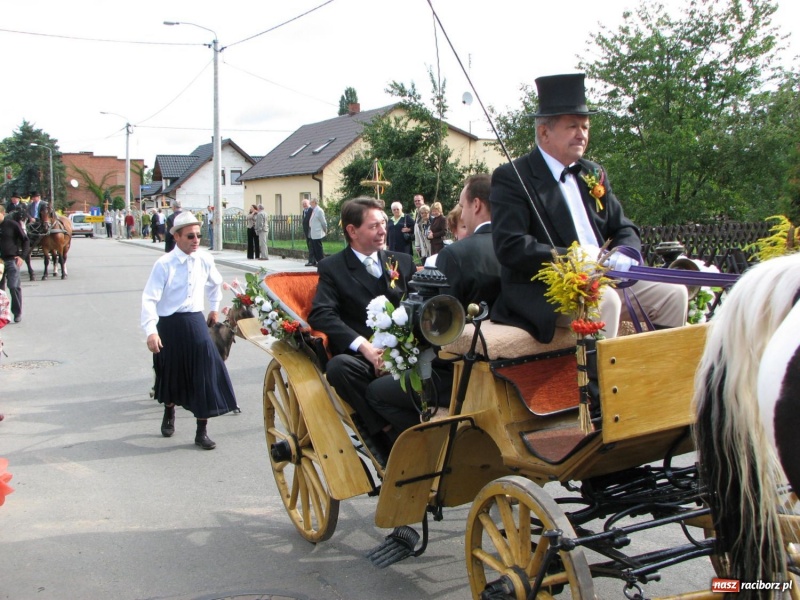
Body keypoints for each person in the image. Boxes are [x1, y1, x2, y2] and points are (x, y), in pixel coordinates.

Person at [490, 73, 688, 342]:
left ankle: (661, 377)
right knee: (604, 300)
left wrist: (626, 253)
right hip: (547, 289)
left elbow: (623, 226)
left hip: (606, 278)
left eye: (585, 126)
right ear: (544, 131)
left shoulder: (593, 173)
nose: (581, 134)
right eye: (572, 126)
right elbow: (511, 247)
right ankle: (601, 383)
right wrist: (575, 257)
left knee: (674, 293)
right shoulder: (513, 176)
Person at [367, 174, 502, 436]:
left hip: (460, 374)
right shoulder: (521, 245)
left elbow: (437, 326)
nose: (462, 214)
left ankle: (426, 449)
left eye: (462, 206)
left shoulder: (456, 254)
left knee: (376, 393)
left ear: (476, 205)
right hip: (514, 365)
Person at [308, 197, 416, 464]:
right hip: (364, 359)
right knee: (338, 368)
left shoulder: (401, 261)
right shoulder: (332, 267)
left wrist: (402, 350)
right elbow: (322, 313)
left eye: (383, 223)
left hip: (408, 352)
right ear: (352, 231)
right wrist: (366, 349)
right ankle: (384, 433)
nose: (382, 231)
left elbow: (419, 306)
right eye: (373, 226)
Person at [141, 211, 238, 450]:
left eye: (198, 235)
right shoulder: (164, 264)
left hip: (195, 321)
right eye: (190, 236)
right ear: (176, 237)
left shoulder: (204, 258)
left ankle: (201, 432)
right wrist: (151, 331)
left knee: (205, 371)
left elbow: (215, 282)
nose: (196, 240)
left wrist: (214, 308)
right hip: (169, 324)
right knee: (171, 371)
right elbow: (149, 298)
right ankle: (169, 411)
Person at [0, 205, 29, 324]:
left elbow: (25, 240)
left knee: (13, 286)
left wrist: (22, 256)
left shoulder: (12, 224)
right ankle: (2, 314)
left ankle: (17, 312)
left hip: (11, 259)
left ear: (2, 213)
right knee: (0, 290)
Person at [308, 197, 327, 266]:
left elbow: (323, 222)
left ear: (315, 203)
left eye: (311, 202)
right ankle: (318, 261)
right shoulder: (314, 210)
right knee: (315, 248)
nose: (310, 204)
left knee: (318, 249)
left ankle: (321, 262)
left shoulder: (319, 210)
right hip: (313, 232)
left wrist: (325, 230)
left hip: (318, 232)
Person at [301, 198, 315, 266]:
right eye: (303, 204)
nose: (304, 205)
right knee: (309, 245)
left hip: (311, 230)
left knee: (311, 246)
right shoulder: (304, 211)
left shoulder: (311, 210)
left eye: (305, 203)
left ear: (308, 203)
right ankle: (312, 260)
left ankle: (311, 261)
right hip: (307, 231)